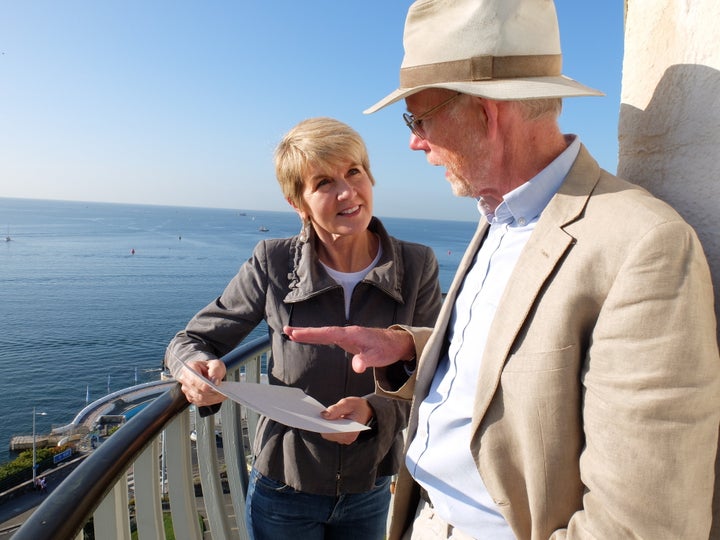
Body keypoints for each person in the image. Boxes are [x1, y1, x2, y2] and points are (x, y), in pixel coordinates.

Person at [283, 1, 720, 539]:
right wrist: (409, 350)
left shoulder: (642, 246)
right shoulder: (501, 216)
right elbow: (510, 362)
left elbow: (646, 524)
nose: (415, 141)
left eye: (418, 119)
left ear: (485, 114)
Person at [165, 117, 443, 540]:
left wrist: (374, 411)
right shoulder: (272, 262)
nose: (347, 192)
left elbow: (436, 372)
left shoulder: (417, 265)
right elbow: (192, 340)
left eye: (354, 172)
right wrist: (195, 368)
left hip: (369, 485)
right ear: (299, 202)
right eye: (323, 182)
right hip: (283, 485)